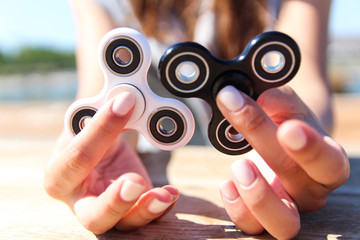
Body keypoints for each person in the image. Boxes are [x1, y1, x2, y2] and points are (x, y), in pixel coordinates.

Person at [44, 0, 349, 239]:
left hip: (240, 163)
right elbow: (101, 90)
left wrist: (297, 143)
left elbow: (304, 87)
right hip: (158, 164)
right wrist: (97, 148)